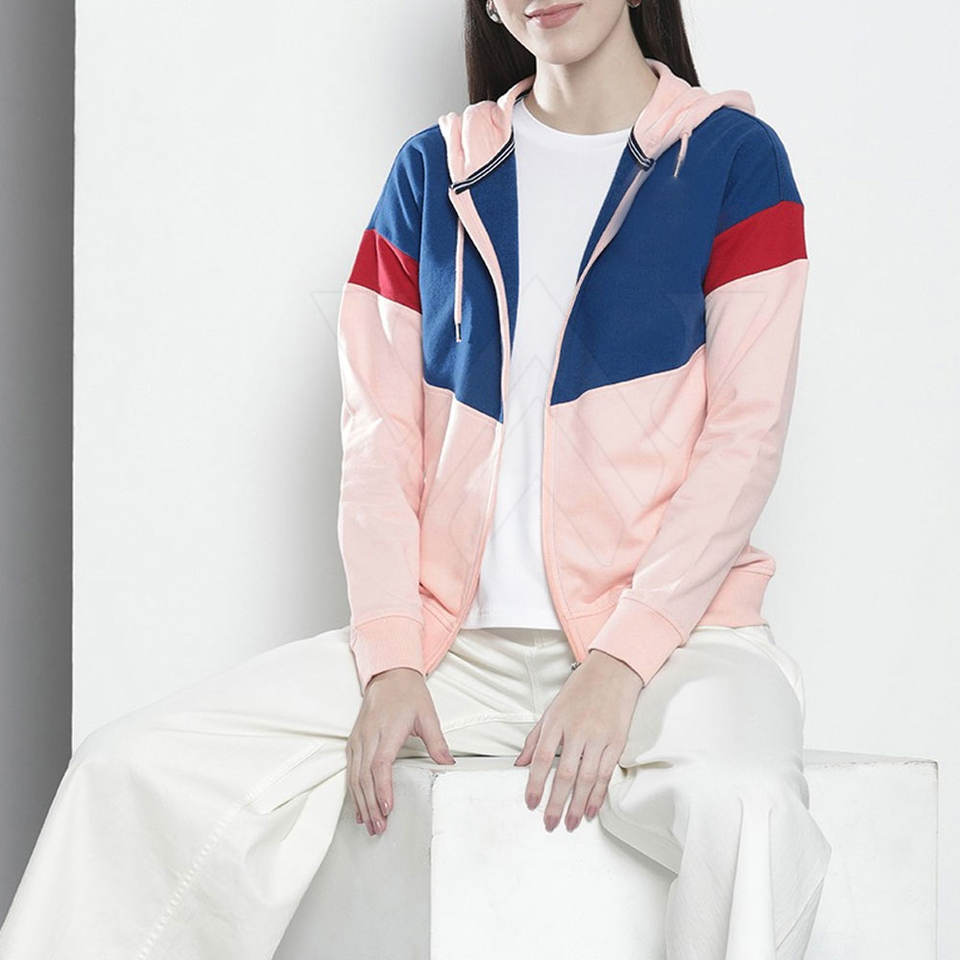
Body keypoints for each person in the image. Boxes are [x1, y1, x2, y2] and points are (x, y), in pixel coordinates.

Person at [0, 1, 833, 958]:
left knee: (748, 801)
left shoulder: (730, 159)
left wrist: (621, 661)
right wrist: (393, 658)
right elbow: (379, 443)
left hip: (680, 644)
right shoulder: (433, 171)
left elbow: (744, 439)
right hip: (455, 651)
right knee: (127, 771)